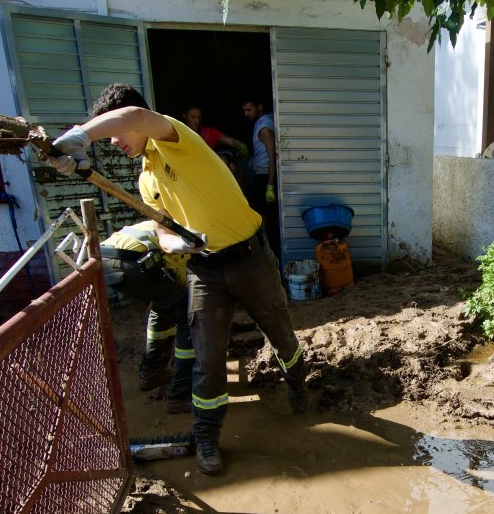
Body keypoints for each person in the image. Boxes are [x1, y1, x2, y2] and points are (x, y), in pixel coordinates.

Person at [50, 83, 307, 477]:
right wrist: (174, 243)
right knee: (206, 355)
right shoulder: (145, 180)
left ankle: (297, 381)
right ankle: (206, 437)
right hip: (206, 268)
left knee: (280, 331)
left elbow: (135, 118)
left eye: (115, 132)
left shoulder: (176, 138)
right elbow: (162, 228)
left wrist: (81, 135)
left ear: (135, 119)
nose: (114, 142)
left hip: (251, 258)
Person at [99, 220, 192, 415]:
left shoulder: (171, 219)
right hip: (138, 261)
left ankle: (152, 371)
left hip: (107, 260)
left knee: (164, 307)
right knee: (188, 317)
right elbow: (183, 276)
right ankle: (180, 395)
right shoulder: (192, 232)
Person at [242, 94, 280, 250]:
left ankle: (268, 251)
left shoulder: (264, 127)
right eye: (244, 110)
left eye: (249, 109)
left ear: (260, 107)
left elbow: (273, 158)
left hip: (265, 177)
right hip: (263, 177)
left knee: (264, 218)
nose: (246, 114)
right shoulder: (267, 120)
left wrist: (270, 186)